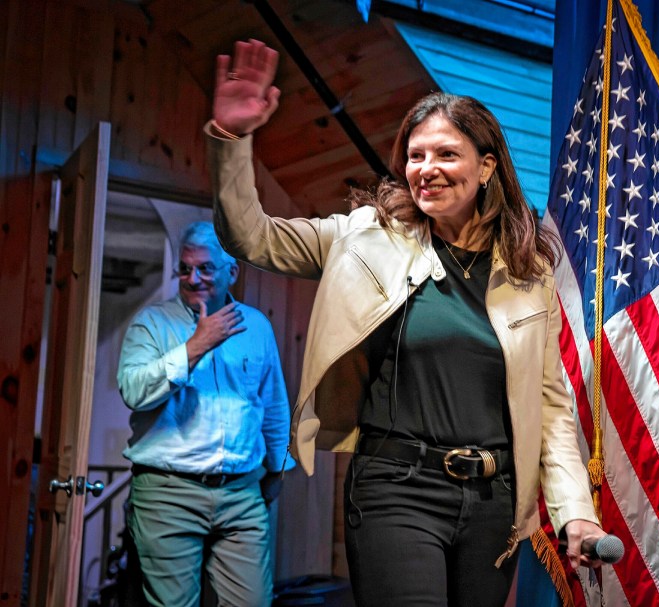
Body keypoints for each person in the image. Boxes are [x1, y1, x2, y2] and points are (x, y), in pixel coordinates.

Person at [206, 39, 608, 607]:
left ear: (487, 166)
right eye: (415, 156)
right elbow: (250, 236)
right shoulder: (363, 237)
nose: (426, 170)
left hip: (494, 505)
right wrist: (232, 139)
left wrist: (576, 518)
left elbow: (550, 408)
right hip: (397, 489)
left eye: (446, 154)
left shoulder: (527, 271)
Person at [117, 221, 295, 607]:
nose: (193, 278)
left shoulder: (257, 327)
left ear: (232, 271)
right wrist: (195, 346)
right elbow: (133, 391)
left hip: (242, 494)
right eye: (185, 268)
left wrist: (278, 469)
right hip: (168, 492)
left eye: (205, 268)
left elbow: (273, 405)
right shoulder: (153, 324)